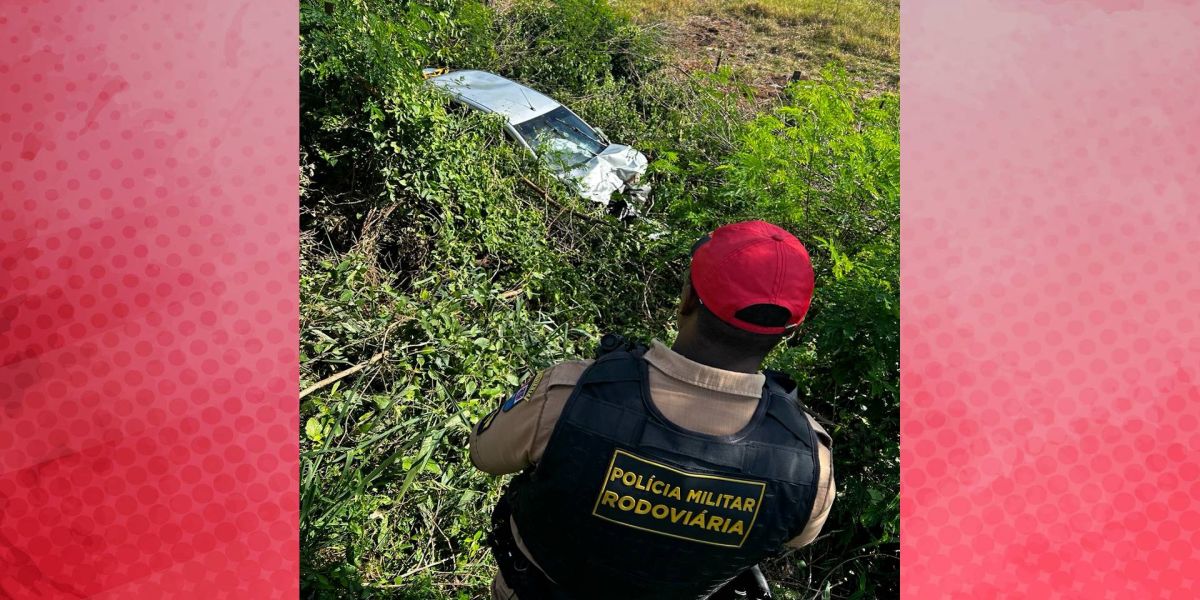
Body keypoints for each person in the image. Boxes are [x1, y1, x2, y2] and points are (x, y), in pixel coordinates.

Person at [469, 220, 836, 600]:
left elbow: (484, 453)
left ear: (689, 298)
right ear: (792, 329)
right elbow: (797, 537)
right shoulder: (811, 463)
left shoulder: (569, 393)